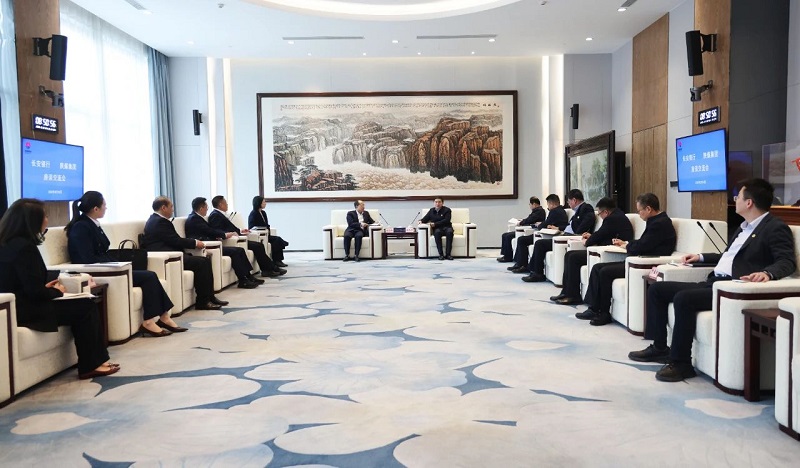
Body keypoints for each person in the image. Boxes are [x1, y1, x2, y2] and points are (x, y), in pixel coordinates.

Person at [629, 179, 796, 382]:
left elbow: (787, 261)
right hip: (713, 282)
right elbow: (729, 257)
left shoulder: (775, 228)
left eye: (738, 197)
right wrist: (700, 257)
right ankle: (660, 348)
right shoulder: (743, 228)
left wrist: (768, 273)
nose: (735, 200)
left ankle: (681, 364)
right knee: (657, 290)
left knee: (683, 298)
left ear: (749, 202)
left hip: (731, 288)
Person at [0, 198, 119, 379]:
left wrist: (44, 287)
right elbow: (35, 293)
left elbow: (21, 283)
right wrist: (57, 291)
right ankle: (91, 365)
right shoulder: (25, 248)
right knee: (86, 306)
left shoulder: (8, 244)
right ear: (32, 220)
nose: (47, 220)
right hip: (27, 310)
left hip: (14, 307)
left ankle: (97, 361)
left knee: (83, 305)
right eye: (45, 216)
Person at [65, 191, 186, 337]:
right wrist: (113, 264)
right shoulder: (81, 227)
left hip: (110, 267)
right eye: (104, 205)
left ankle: (164, 317)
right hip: (102, 272)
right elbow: (86, 258)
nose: (106, 208)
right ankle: (149, 322)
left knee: (150, 276)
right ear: (95, 208)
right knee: (149, 277)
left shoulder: (91, 224)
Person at [575, 193, 676, 326]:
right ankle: (594, 308)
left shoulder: (660, 224)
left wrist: (628, 245)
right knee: (597, 267)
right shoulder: (656, 221)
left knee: (605, 272)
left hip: (646, 263)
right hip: (638, 258)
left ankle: (604, 313)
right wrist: (626, 243)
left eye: (639, 210)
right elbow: (644, 242)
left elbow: (644, 245)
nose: (639, 214)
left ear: (648, 209)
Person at [141, 196, 226, 311]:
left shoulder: (157, 220)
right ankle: (203, 301)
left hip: (174, 254)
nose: (173, 210)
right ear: (163, 208)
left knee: (205, 261)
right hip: (169, 257)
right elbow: (175, 240)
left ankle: (210, 297)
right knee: (201, 263)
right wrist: (195, 243)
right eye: (171, 207)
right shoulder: (159, 222)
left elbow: (174, 239)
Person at [550, 197, 633, 305]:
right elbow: (603, 233)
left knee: (573, 258)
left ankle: (572, 295)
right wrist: (592, 236)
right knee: (569, 255)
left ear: (606, 212)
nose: (600, 216)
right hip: (604, 249)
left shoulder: (613, 218)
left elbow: (601, 234)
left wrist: (588, 241)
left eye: (599, 213)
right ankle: (566, 292)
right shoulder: (616, 215)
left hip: (610, 253)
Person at [185, 197, 263, 289]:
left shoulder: (197, 218)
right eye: (206, 207)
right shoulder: (194, 219)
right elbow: (209, 231)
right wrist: (224, 235)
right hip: (207, 247)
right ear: (201, 208)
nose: (207, 209)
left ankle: (248, 276)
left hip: (214, 244)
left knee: (240, 250)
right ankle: (243, 280)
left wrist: (222, 235)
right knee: (235, 252)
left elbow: (209, 231)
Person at [521, 189, 596, 282]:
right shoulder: (577, 210)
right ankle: (533, 270)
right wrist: (559, 228)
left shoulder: (586, 208)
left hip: (571, 237)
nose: (568, 204)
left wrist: (575, 233)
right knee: (540, 243)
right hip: (565, 234)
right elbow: (569, 226)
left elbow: (584, 224)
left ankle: (537, 273)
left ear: (574, 200)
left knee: (540, 244)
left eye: (569, 201)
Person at [208, 195, 285, 278]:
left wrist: (241, 230)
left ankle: (269, 268)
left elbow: (229, 228)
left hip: (239, 237)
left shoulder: (220, 214)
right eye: (225, 203)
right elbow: (218, 231)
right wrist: (231, 233)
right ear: (220, 204)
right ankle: (269, 269)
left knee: (259, 245)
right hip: (233, 241)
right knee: (258, 246)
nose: (227, 204)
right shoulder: (215, 215)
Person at [508, 194, 568, 272]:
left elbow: (544, 225)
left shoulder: (554, 211)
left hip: (549, 235)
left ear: (551, 204)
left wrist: (540, 225)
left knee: (522, 240)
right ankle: (523, 265)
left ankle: (522, 265)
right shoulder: (561, 211)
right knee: (522, 240)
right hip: (548, 234)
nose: (548, 207)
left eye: (548, 204)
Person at [497, 197, 546, 263]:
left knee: (508, 236)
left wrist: (521, 222)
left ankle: (508, 257)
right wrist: (522, 221)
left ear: (534, 204)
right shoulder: (536, 211)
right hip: (527, 228)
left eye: (530, 204)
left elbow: (530, 220)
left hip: (530, 230)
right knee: (505, 235)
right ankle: (505, 255)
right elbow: (529, 219)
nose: (529, 206)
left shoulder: (539, 211)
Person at [248, 196, 288, 268]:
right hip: (260, 235)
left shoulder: (263, 213)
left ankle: (278, 260)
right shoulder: (253, 214)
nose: (265, 203)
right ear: (259, 203)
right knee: (277, 240)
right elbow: (251, 227)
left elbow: (266, 224)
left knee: (277, 240)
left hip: (266, 235)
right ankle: (277, 259)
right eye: (263, 202)